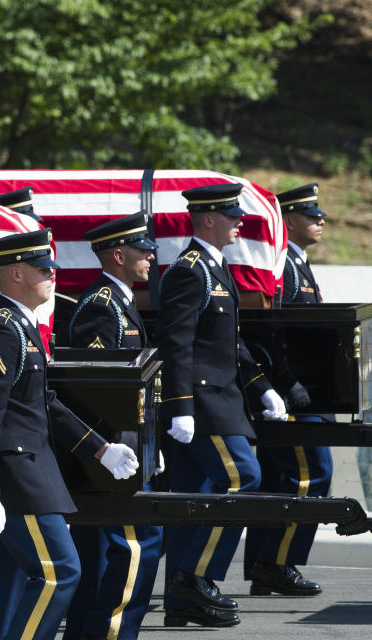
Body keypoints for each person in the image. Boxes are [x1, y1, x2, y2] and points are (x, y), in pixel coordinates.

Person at [0, 228, 139, 640]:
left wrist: (100, 449)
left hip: (25, 471)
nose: (53, 277)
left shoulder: (21, 328)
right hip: (16, 477)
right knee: (60, 573)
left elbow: (44, 402)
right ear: (16, 274)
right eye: (44, 270)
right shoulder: (2, 331)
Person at [155, 183, 287, 628]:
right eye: (232, 216)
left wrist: (263, 387)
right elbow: (176, 345)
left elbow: (228, 344)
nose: (239, 223)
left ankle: (181, 600)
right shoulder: (188, 271)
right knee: (242, 478)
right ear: (207, 219)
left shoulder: (216, 268)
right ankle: (196, 578)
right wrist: (180, 406)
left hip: (223, 400)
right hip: (204, 405)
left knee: (192, 500)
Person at [64, 212, 163, 640]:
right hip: (109, 459)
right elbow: (94, 390)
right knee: (138, 545)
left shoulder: (117, 301)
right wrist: (112, 448)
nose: (151, 256)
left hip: (121, 449)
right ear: (119, 255)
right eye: (143, 250)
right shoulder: (103, 306)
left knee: (103, 555)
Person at [243, 183, 329, 596]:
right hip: (290, 396)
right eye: (312, 215)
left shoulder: (297, 264)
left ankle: (268, 564)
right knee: (308, 476)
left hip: (305, 392)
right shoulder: (285, 269)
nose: (321, 221)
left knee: (283, 478)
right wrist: (286, 382)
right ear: (289, 220)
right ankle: (276, 562)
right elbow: (272, 334)